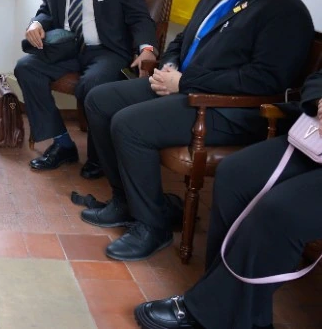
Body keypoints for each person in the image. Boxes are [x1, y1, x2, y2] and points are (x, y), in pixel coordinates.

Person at [81, 0, 314, 261]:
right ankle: (126, 201)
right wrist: (171, 66)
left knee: (129, 125)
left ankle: (152, 226)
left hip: (230, 109)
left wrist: (184, 82)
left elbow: (264, 80)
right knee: (100, 99)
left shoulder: (285, 11)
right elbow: (183, 40)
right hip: (185, 87)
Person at [134, 70, 322, 329]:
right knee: (235, 175)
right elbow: (318, 77)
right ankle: (241, 312)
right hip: (316, 141)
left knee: (281, 210)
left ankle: (210, 310)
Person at [15, 0, 157, 178]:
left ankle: (99, 156)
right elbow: (47, 9)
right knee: (26, 67)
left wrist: (146, 48)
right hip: (67, 48)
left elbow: (139, 15)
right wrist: (36, 23)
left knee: (92, 84)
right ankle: (62, 144)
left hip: (107, 50)